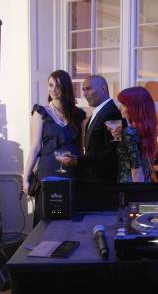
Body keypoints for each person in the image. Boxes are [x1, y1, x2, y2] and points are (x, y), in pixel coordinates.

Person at [22, 70, 86, 225]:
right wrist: (26, 177)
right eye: (51, 85)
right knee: (46, 219)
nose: (53, 90)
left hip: (71, 171)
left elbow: (83, 147)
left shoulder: (79, 114)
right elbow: (35, 146)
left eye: (58, 86)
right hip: (48, 170)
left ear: (66, 88)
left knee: (71, 219)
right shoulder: (41, 112)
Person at [62, 75, 122, 182]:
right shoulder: (98, 112)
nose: (85, 94)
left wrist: (79, 160)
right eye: (83, 90)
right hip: (93, 179)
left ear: (103, 89)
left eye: (88, 89)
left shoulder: (111, 113)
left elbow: (111, 153)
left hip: (104, 182)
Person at [111, 86, 158, 183]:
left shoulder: (129, 133)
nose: (120, 108)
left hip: (130, 188)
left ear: (134, 108)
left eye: (124, 105)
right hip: (145, 182)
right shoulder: (145, 131)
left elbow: (136, 170)